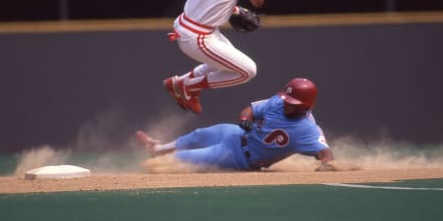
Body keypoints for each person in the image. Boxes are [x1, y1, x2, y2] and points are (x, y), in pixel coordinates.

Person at [138, 78, 336, 172]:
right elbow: (249, 110)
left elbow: (326, 154)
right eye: (286, 99)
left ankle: (159, 159)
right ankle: (158, 149)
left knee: (180, 160)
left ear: (305, 106)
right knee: (199, 134)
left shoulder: (308, 130)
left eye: (291, 103)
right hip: (236, 134)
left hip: (239, 158)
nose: (286, 104)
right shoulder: (278, 102)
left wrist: (326, 165)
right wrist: (245, 121)